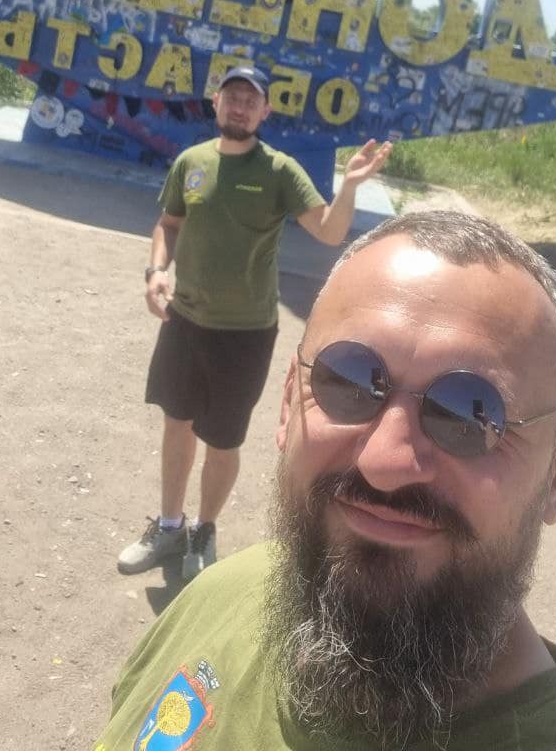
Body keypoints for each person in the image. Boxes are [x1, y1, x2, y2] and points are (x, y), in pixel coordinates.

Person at [95, 210, 556, 751]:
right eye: (348, 380)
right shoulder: (225, 593)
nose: (385, 463)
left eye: (469, 414)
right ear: (289, 403)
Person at [117, 63, 392, 582]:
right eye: (232, 97)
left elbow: (329, 231)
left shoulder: (278, 170)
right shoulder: (192, 162)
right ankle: (170, 525)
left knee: (222, 440)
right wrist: (156, 272)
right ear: (216, 102)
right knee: (176, 424)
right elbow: (168, 224)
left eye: (251, 100)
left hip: (244, 335)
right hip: (184, 321)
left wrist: (351, 186)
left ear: (265, 111)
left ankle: (204, 529)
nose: (240, 107)